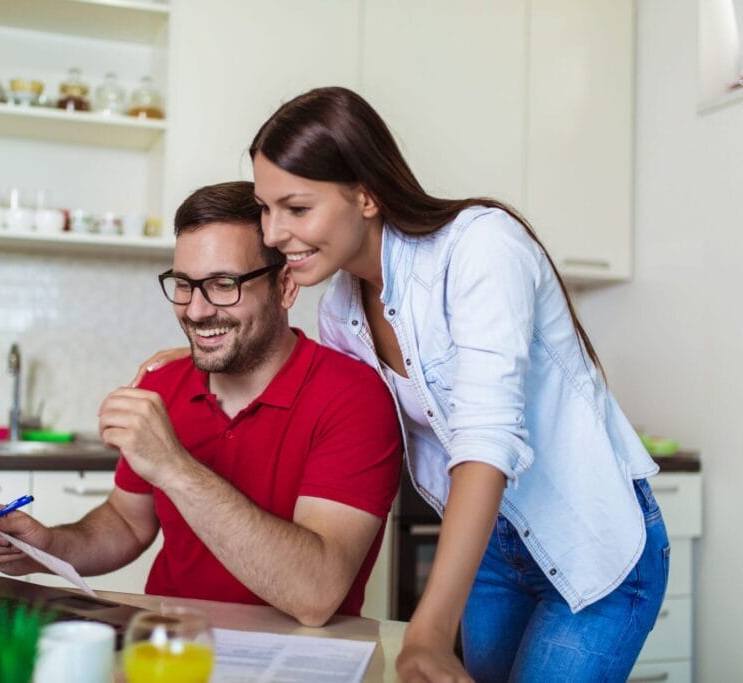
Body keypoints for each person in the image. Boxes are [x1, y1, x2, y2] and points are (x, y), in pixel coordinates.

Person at [136, 88, 669, 682]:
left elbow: (484, 441)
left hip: (591, 540)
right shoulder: (341, 307)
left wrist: (428, 631)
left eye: (296, 208)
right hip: (490, 549)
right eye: (265, 209)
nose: (275, 233)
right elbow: (319, 384)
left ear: (365, 195)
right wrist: (203, 346)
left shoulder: (481, 247)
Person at [0, 180, 402, 626]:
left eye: (223, 284)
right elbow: (127, 521)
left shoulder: (353, 397)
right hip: (166, 647)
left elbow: (316, 594)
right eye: (184, 284)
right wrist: (46, 547)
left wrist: (174, 467)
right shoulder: (163, 385)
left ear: (286, 286)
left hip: (292, 655)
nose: (196, 311)